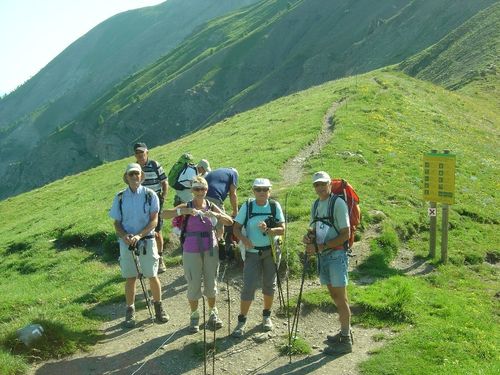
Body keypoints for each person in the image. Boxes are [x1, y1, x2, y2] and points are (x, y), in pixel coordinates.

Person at [162, 176, 233, 333]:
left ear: (207, 190)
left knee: (211, 282)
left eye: (203, 188)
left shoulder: (211, 206)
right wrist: (184, 211)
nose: (200, 192)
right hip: (191, 249)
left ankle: (213, 313)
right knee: (193, 283)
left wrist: (216, 215)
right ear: (192, 190)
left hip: (211, 248)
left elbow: (229, 221)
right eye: (196, 189)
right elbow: (164, 214)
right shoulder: (187, 205)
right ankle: (194, 316)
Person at [109, 163, 169, 328]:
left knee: (152, 275)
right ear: (126, 177)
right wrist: (124, 236)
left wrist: (139, 235)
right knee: (130, 278)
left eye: (137, 174)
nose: (135, 177)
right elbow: (117, 223)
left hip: (147, 240)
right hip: (126, 243)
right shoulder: (120, 197)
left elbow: (154, 220)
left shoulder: (150, 195)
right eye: (131, 175)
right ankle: (130, 311)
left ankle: (159, 308)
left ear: (142, 176)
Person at [302, 171, 353, 355]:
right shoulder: (316, 204)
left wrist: (320, 247)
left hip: (336, 256)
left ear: (330, 184)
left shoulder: (338, 203)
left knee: (341, 298)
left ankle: (346, 340)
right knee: (335, 296)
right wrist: (309, 237)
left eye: (323, 184)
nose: (320, 187)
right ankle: (344, 332)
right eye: (317, 184)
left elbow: (345, 233)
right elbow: (314, 226)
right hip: (324, 256)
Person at [232, 178, 285, 337]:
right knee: (248, 286)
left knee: (270, 284)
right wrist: (245, 240)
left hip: (271, 251)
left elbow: (282, 229)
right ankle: (242, 320)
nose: (261, 192)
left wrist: (269, 230)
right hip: (252, 253)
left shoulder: (275, 206)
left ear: (269, 191)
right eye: (258, 189)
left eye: (265, 189)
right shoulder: (247, 206)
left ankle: (266, 316)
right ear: (253, 191)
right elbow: (236, 228)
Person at [134, 142, 168, 273]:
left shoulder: (154, 165)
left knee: (157, 231)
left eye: (142, 152)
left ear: (147, 152)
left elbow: (164, 181)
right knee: (142, 230)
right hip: (141, 203)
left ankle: (160, 258)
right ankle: (144, 260)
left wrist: (163, 196)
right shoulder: (134, 168)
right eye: (137, 153)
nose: (140, 155)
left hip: (156, 201)